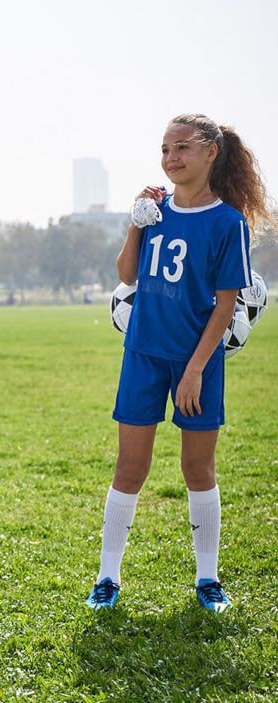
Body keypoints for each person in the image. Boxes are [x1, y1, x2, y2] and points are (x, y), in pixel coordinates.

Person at [86, 114, 276, 612]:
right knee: (129, 466)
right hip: (143, 355)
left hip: (198, 362)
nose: (171, 158)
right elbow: (127, 275)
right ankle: (108, 578)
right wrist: (135, 223)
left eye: (182, 148)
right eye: (165, 149)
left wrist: (195, 369)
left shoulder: (227, 222)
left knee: (198, 466)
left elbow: (226, 303)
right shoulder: (155, 211)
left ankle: (208, 579)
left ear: (211, 152)